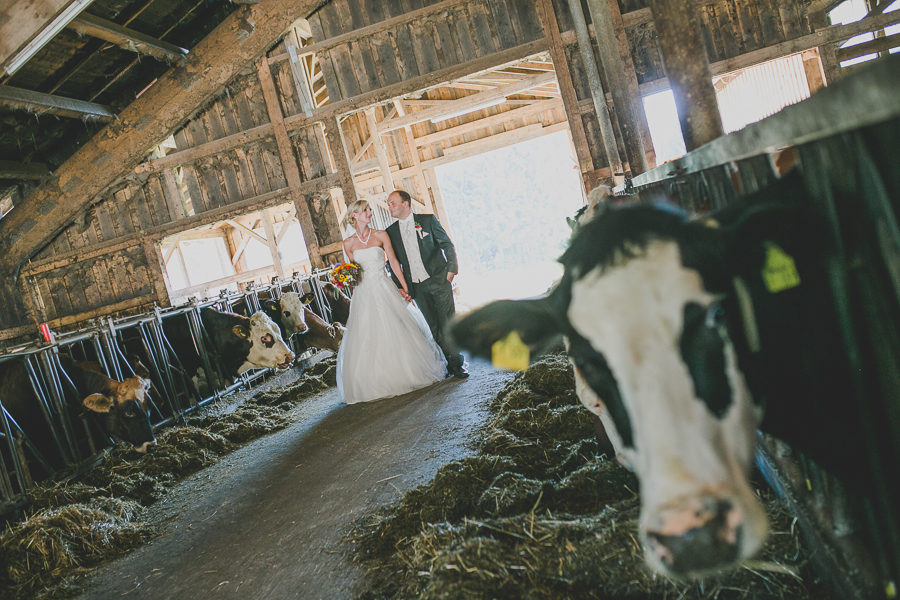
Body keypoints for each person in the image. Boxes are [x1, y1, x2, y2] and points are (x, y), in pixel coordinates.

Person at [336, 199, 447, 404]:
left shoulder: (381, 235)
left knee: (396, 328)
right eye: (365, 210)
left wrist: (404, 287)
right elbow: (352, 272)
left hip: (383, 286)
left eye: (370, 209)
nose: (370, 213)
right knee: (367, 335)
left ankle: (406, 374)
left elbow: (394, 262)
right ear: (355, 215)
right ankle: (373, 382)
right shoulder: (348, 243)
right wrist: (345, 280)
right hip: (363, 293)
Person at [385, 190, 468, 379]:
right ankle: (448, 362)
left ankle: (457, 364)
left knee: (447, 322)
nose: (389, 207)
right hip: (417, 287)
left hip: (439, 280)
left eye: (393, 203)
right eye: (389, 204)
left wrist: (451, 271)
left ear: (405, 204)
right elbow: (393, 262)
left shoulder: (428, 220)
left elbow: (447, 245)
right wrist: (400, 286)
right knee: (434, 326)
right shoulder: (390, 232)